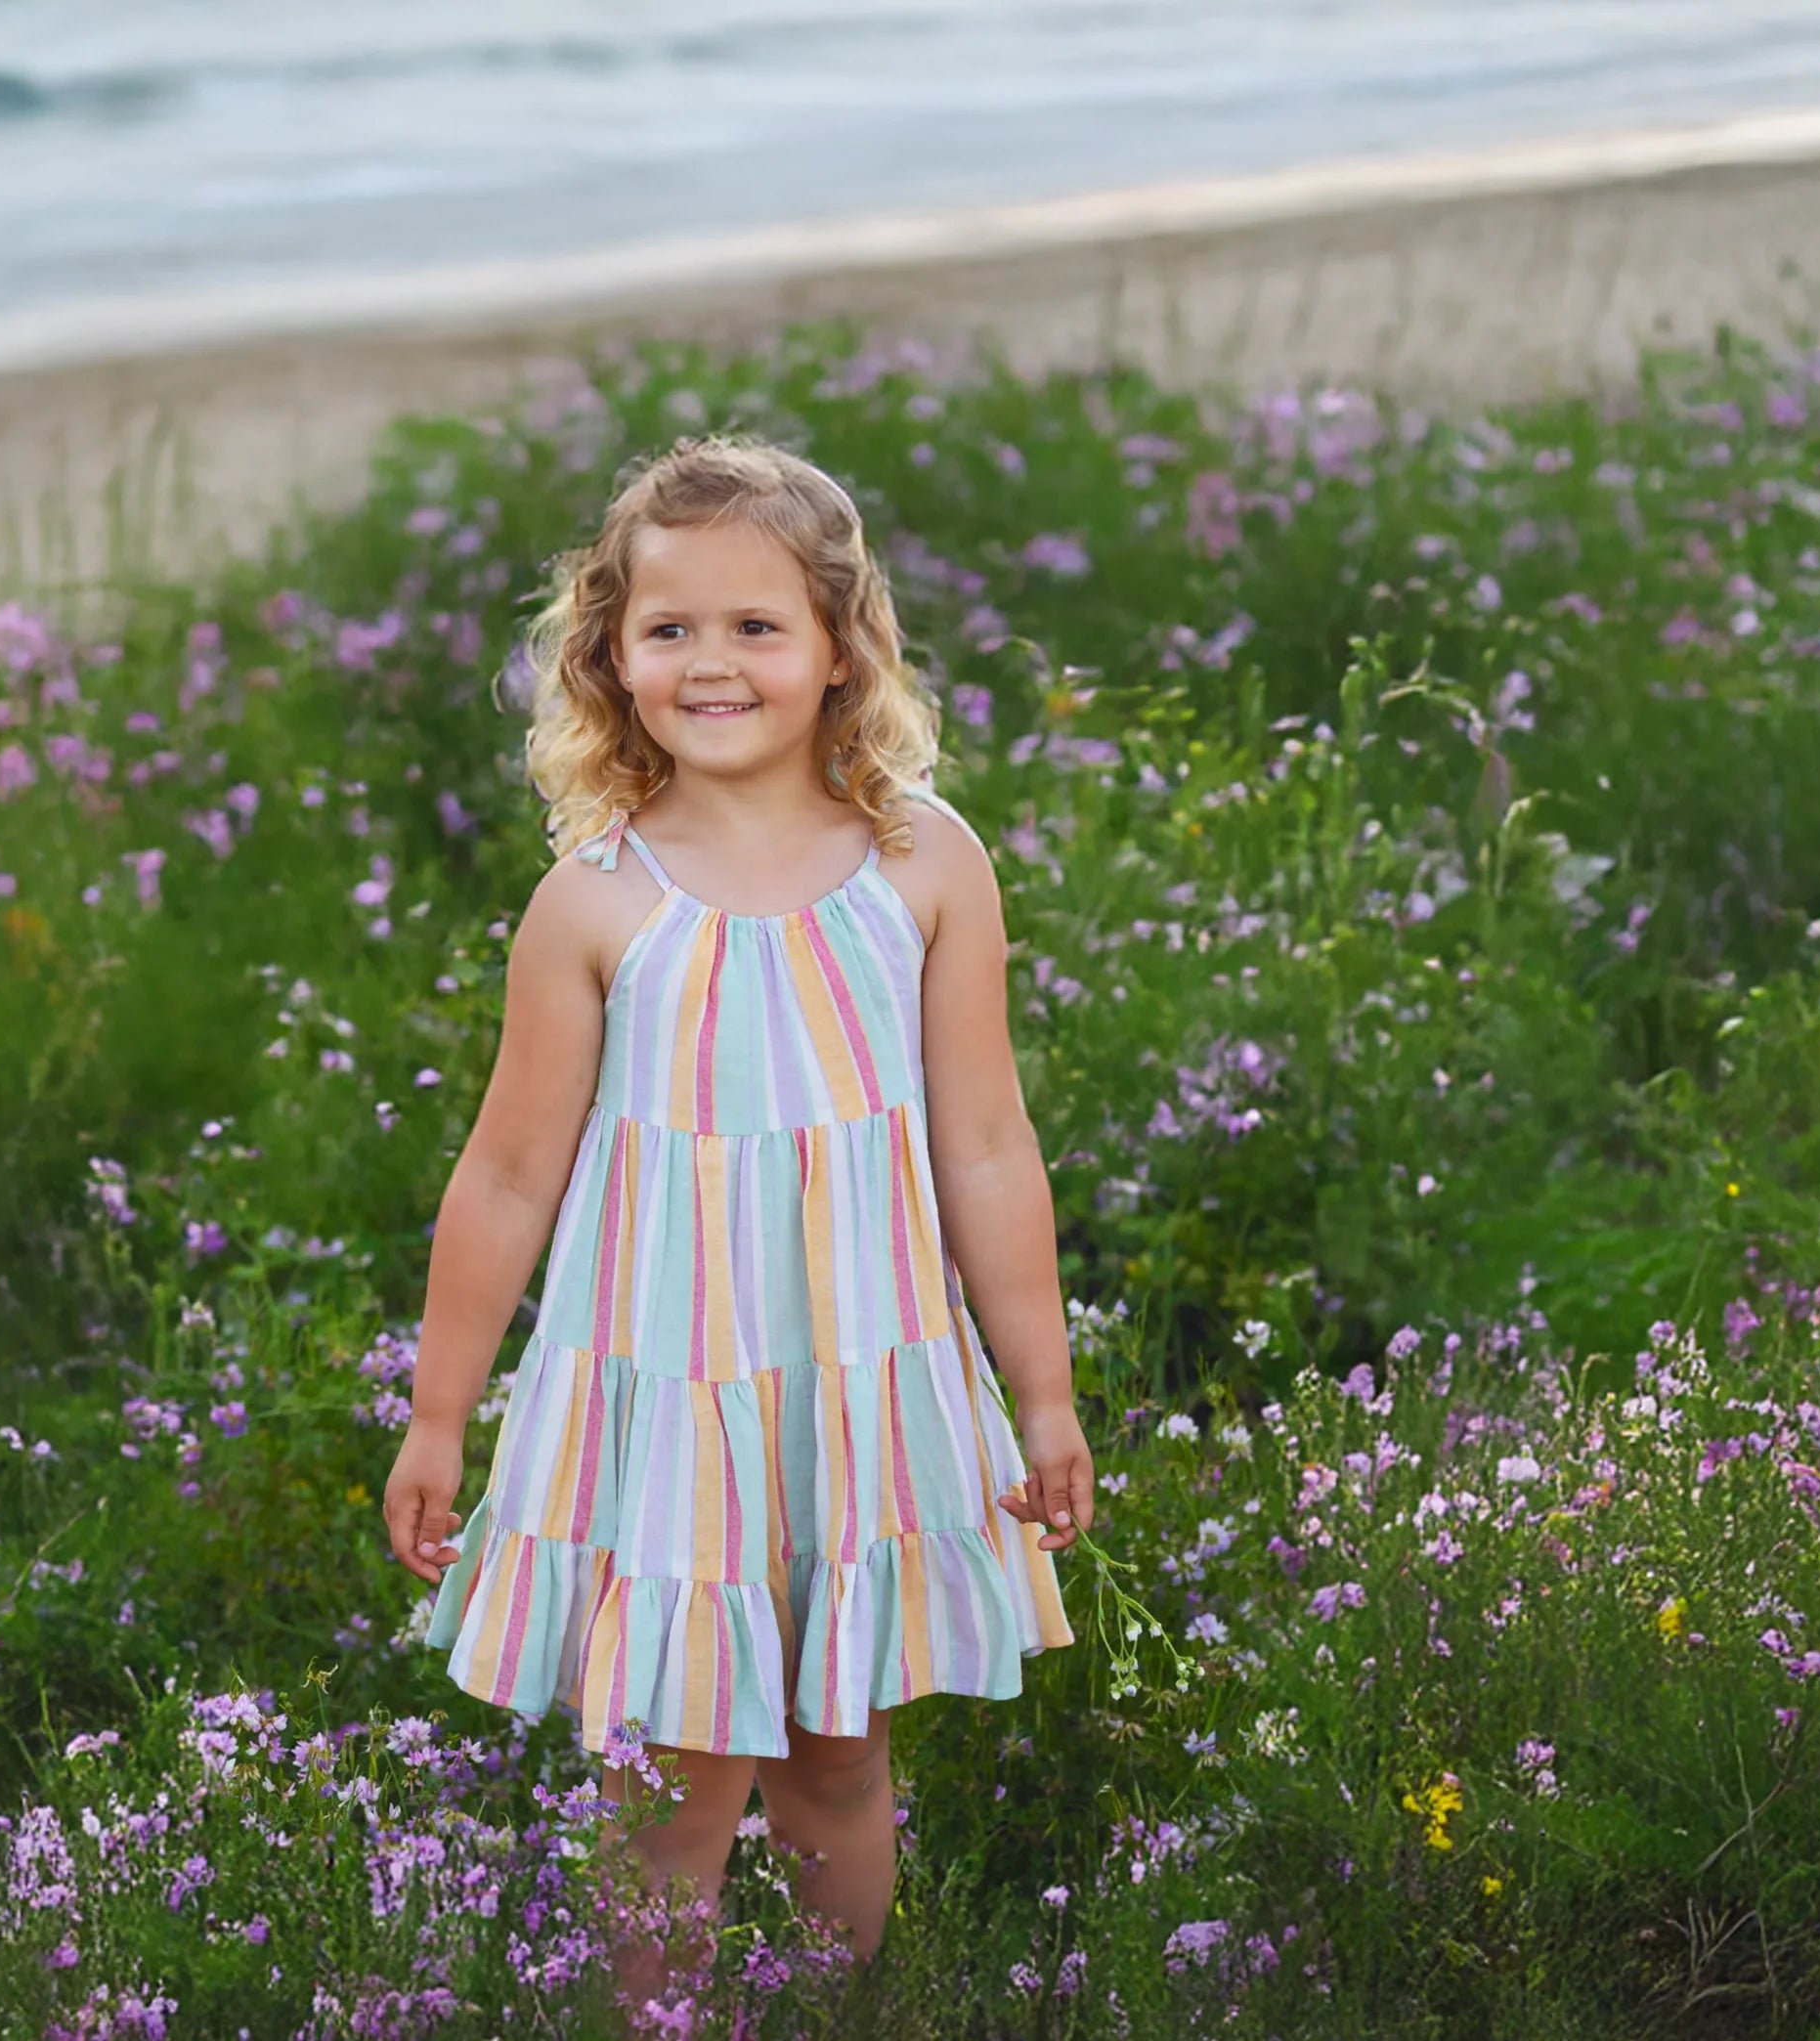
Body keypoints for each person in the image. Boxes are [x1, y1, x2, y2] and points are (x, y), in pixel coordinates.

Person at [381, 432, 1092, 2005]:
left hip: (861, 1393)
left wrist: (1038, 1393)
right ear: (611, 657)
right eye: (668, 629)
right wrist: (441, 1420)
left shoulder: (925, 867)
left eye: (756, 626)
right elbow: (505, 1177)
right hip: (671, 1412)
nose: (712, 661)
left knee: (839, 1765)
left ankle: (847, 2009)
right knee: (675, 1796)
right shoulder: (598, 902)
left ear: (840, 648)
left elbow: (984, 1144)